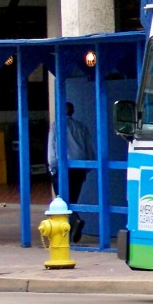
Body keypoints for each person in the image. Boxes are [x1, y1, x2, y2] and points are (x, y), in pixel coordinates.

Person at [48, 101, 93, 242]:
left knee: (61, 201)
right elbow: (89, 150)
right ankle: (72, 226)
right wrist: (87, 168)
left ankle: (74, 223)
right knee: (73, 199)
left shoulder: (56, 126)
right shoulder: (81, 127)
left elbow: (51, 148)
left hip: (62, 168)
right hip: (79, 169)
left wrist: (52, 167)